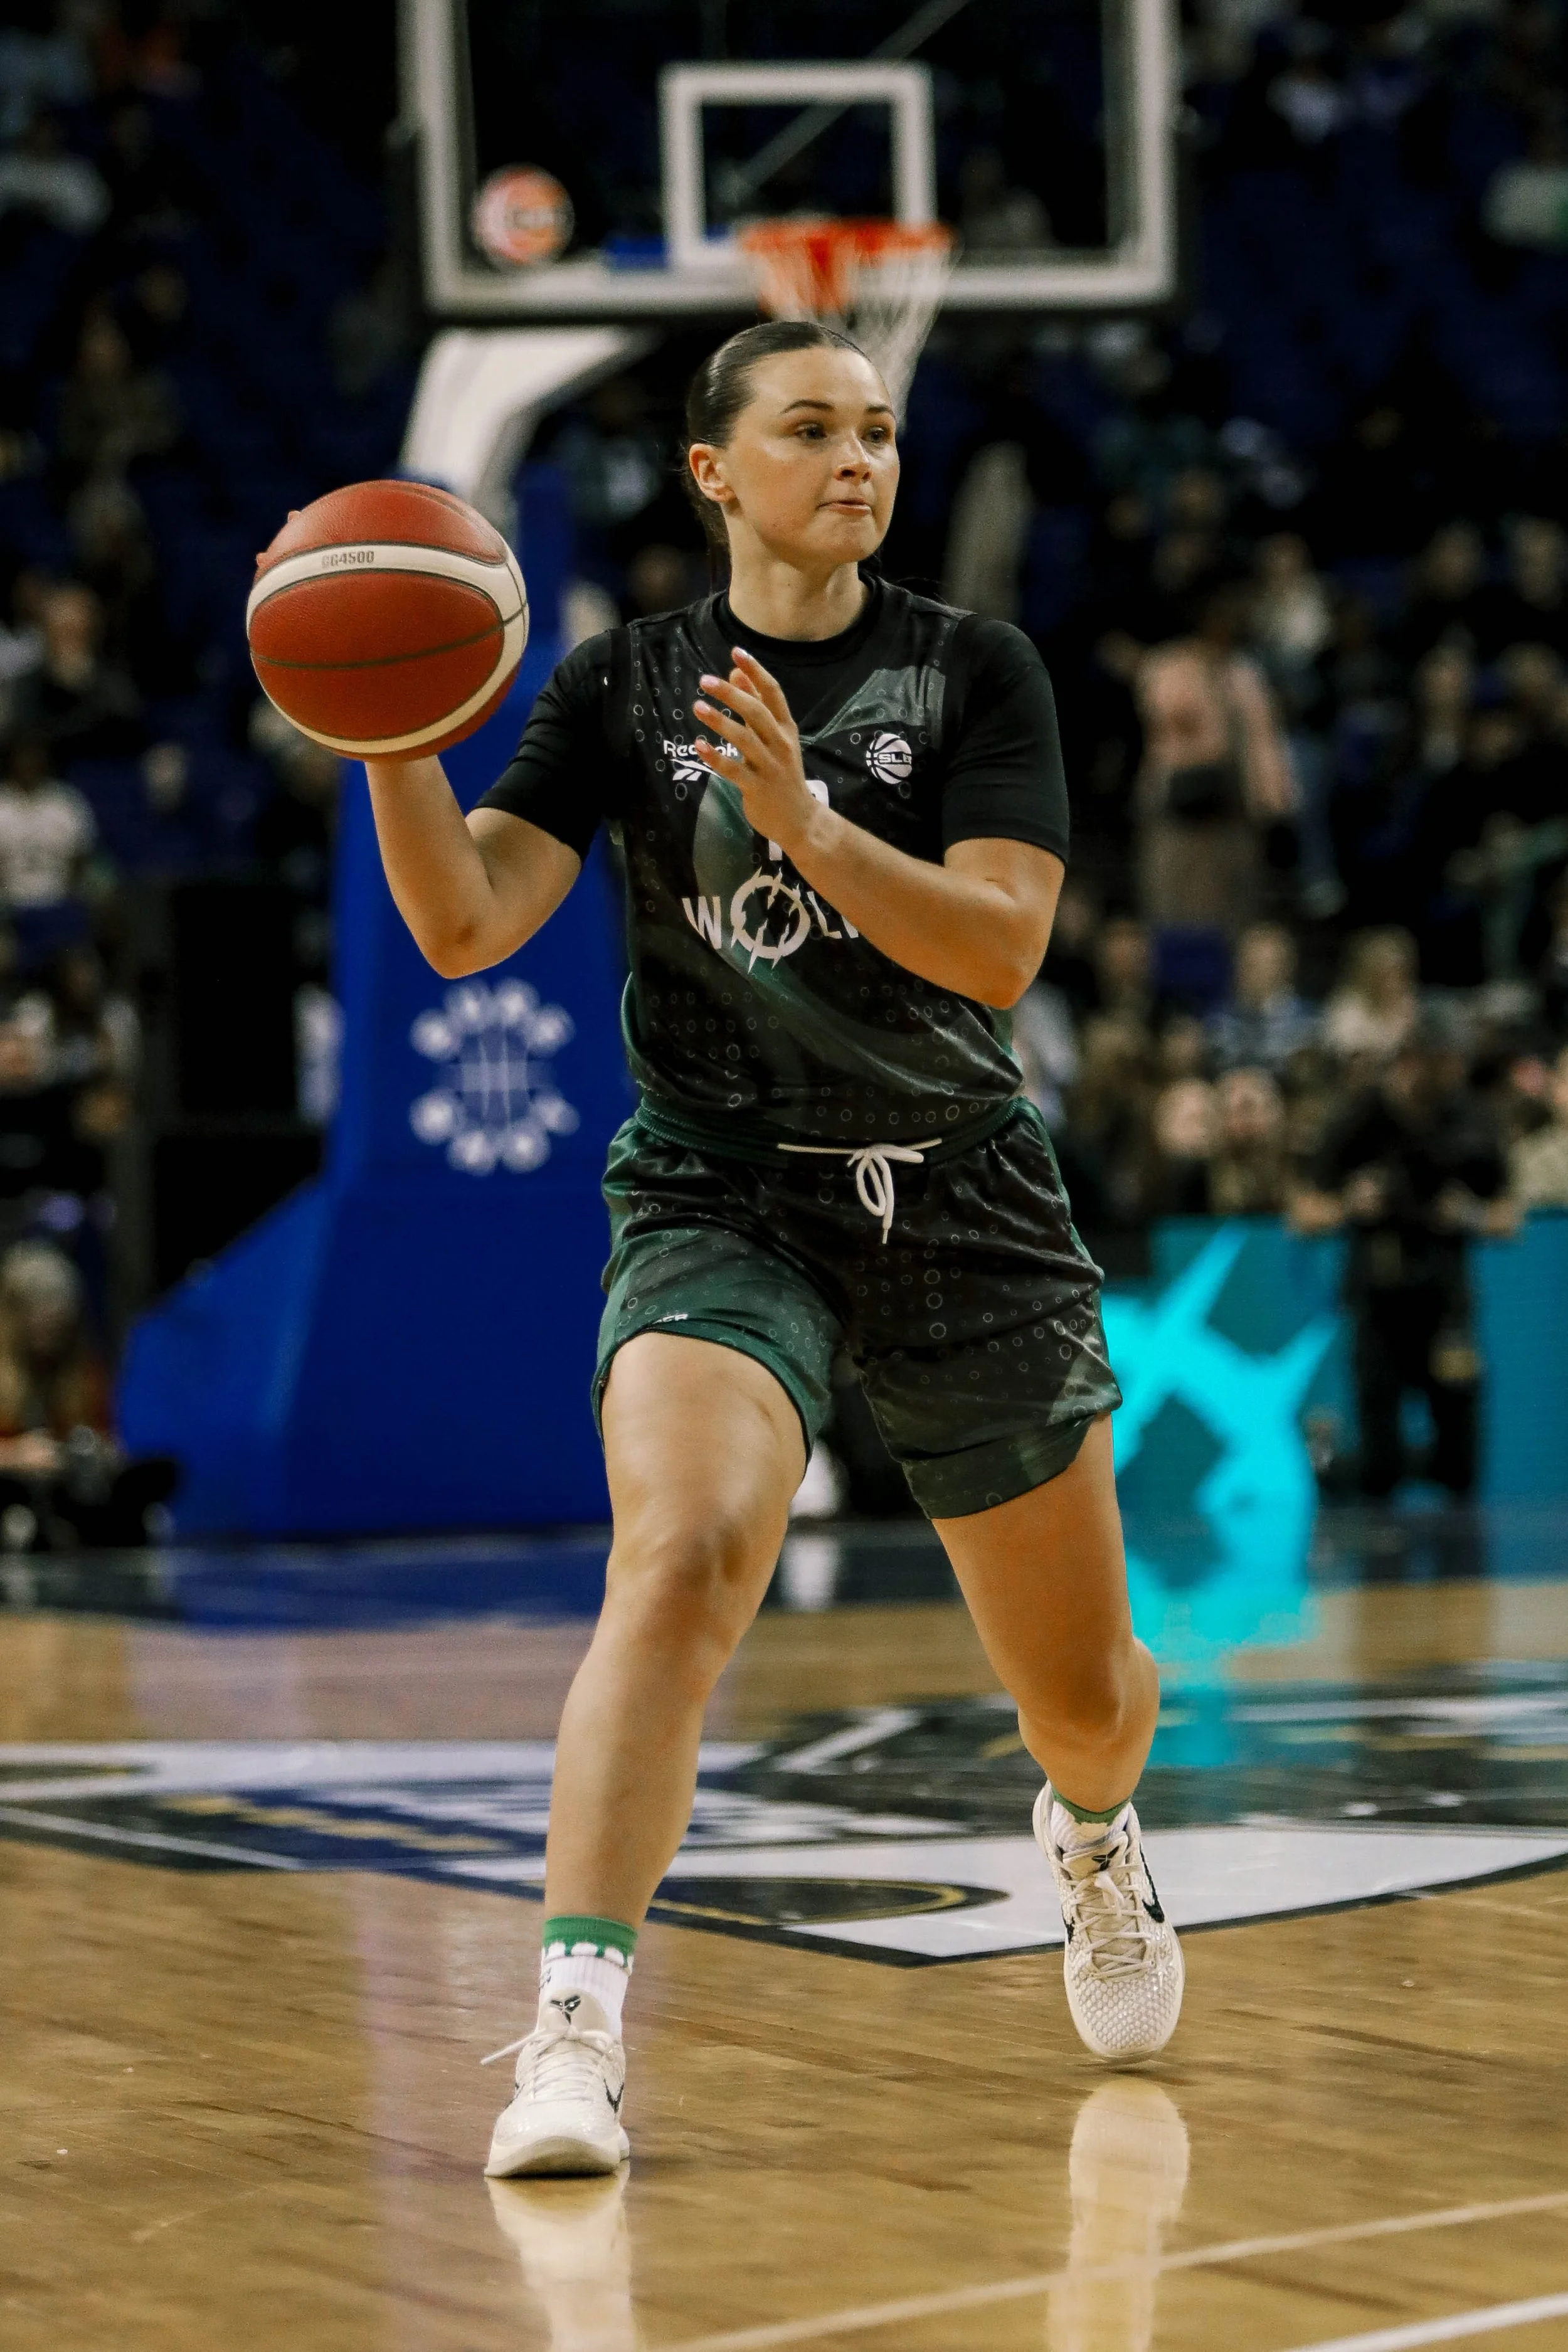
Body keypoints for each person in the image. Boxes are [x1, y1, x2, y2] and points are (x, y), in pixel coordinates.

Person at [362, 321, 1184, 2179]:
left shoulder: (973, 671)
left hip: (958, 1195)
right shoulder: (617, 682)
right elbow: (466, 920)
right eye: (808, 427)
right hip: (723, 1188)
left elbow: (993, 950)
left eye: (878, 430)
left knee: (1085, 1699)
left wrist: (809, 822)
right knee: (683, 1550)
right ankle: (571, 2028)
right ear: (712, 471)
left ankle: (1092, 1831)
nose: (857, 459)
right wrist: (389, 740)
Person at [1291, 1016, 1517, 1498]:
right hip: (1379, 1303)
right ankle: (1331, 1465)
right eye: (1444, 1066)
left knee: (1461, 1462)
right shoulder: (1361, 1119)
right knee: (1381, 1465)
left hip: (1447, 1303)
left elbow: (1508, 1215)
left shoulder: (1470, 1118)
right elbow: (1304, 1213)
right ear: (1415, 1062)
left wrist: (1471, 1215)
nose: (1454, 1079)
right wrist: (1352, 1204)